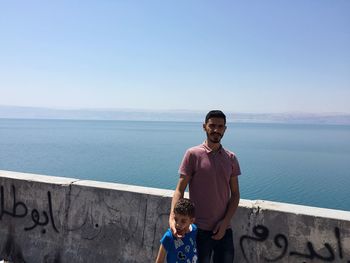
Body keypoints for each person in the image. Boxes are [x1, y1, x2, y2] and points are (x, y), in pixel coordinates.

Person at [169, 110, 241, 263]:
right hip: (197, 230)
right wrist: (172, 219)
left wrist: (225, 222)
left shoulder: (231, 158)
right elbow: (179, 190)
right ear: (204, 127)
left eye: (220, 126)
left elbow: (235, 194)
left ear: (225, 129)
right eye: (212, 125)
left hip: (224, 229)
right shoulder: (193, 154)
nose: (216, 130)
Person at [156, 198, 198, 263]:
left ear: (191, 221)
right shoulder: (169, 236)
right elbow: (159, 261)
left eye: (183, 221)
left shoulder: (194, 230)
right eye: (176, 219)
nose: (178, 224)